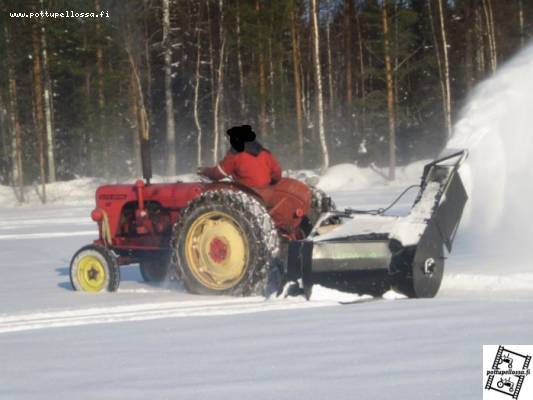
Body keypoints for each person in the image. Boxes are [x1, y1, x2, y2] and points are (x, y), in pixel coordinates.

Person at [198, 125, 282, 188]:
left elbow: (219, 173)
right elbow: (277, 174)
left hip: (247, 193)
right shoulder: (265, 153)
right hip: (266, 193)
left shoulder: (235, 154)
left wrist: (205, 171)